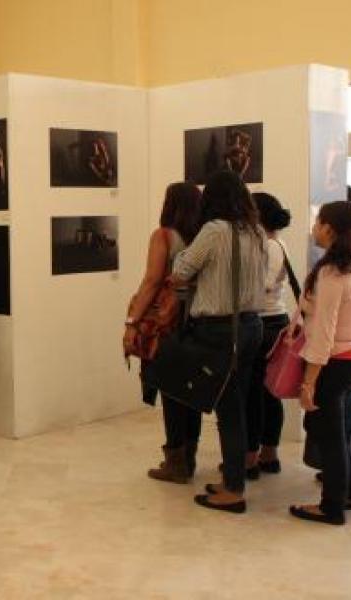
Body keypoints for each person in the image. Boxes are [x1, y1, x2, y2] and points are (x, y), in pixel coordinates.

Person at [171, 171, 266, 513]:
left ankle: (233, 489)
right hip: (252, 325)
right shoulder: (256, 232)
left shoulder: (214, 231)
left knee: (229, 411)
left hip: (221, 330)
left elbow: (180, 272)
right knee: (236, 404)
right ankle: (234, 476)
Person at [289, 201, 351, 525]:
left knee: (330, 434)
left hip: (336, 363)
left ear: (328, 228)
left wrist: (309, 382)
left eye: (317, 221)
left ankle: (332, 506)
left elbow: (323, 334)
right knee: (334, 430)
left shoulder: (333, 273)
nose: (313, 227)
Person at [125, 182, 203, 483]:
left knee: (171, 391)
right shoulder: (203, 237)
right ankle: (189, 457)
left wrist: (132, 322)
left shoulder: (164, 236)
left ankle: (176, 462)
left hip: (168, 322)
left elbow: (152, 281)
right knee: (191, 393)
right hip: (196, 318)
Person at [244, 192, 294, 479]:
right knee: (267, 393)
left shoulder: (268, 245)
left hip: (263, 323)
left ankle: (251, 458)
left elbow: (259, 286)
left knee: (255, 393)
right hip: (275, 321)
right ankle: (268, 453)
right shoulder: (278, 244)